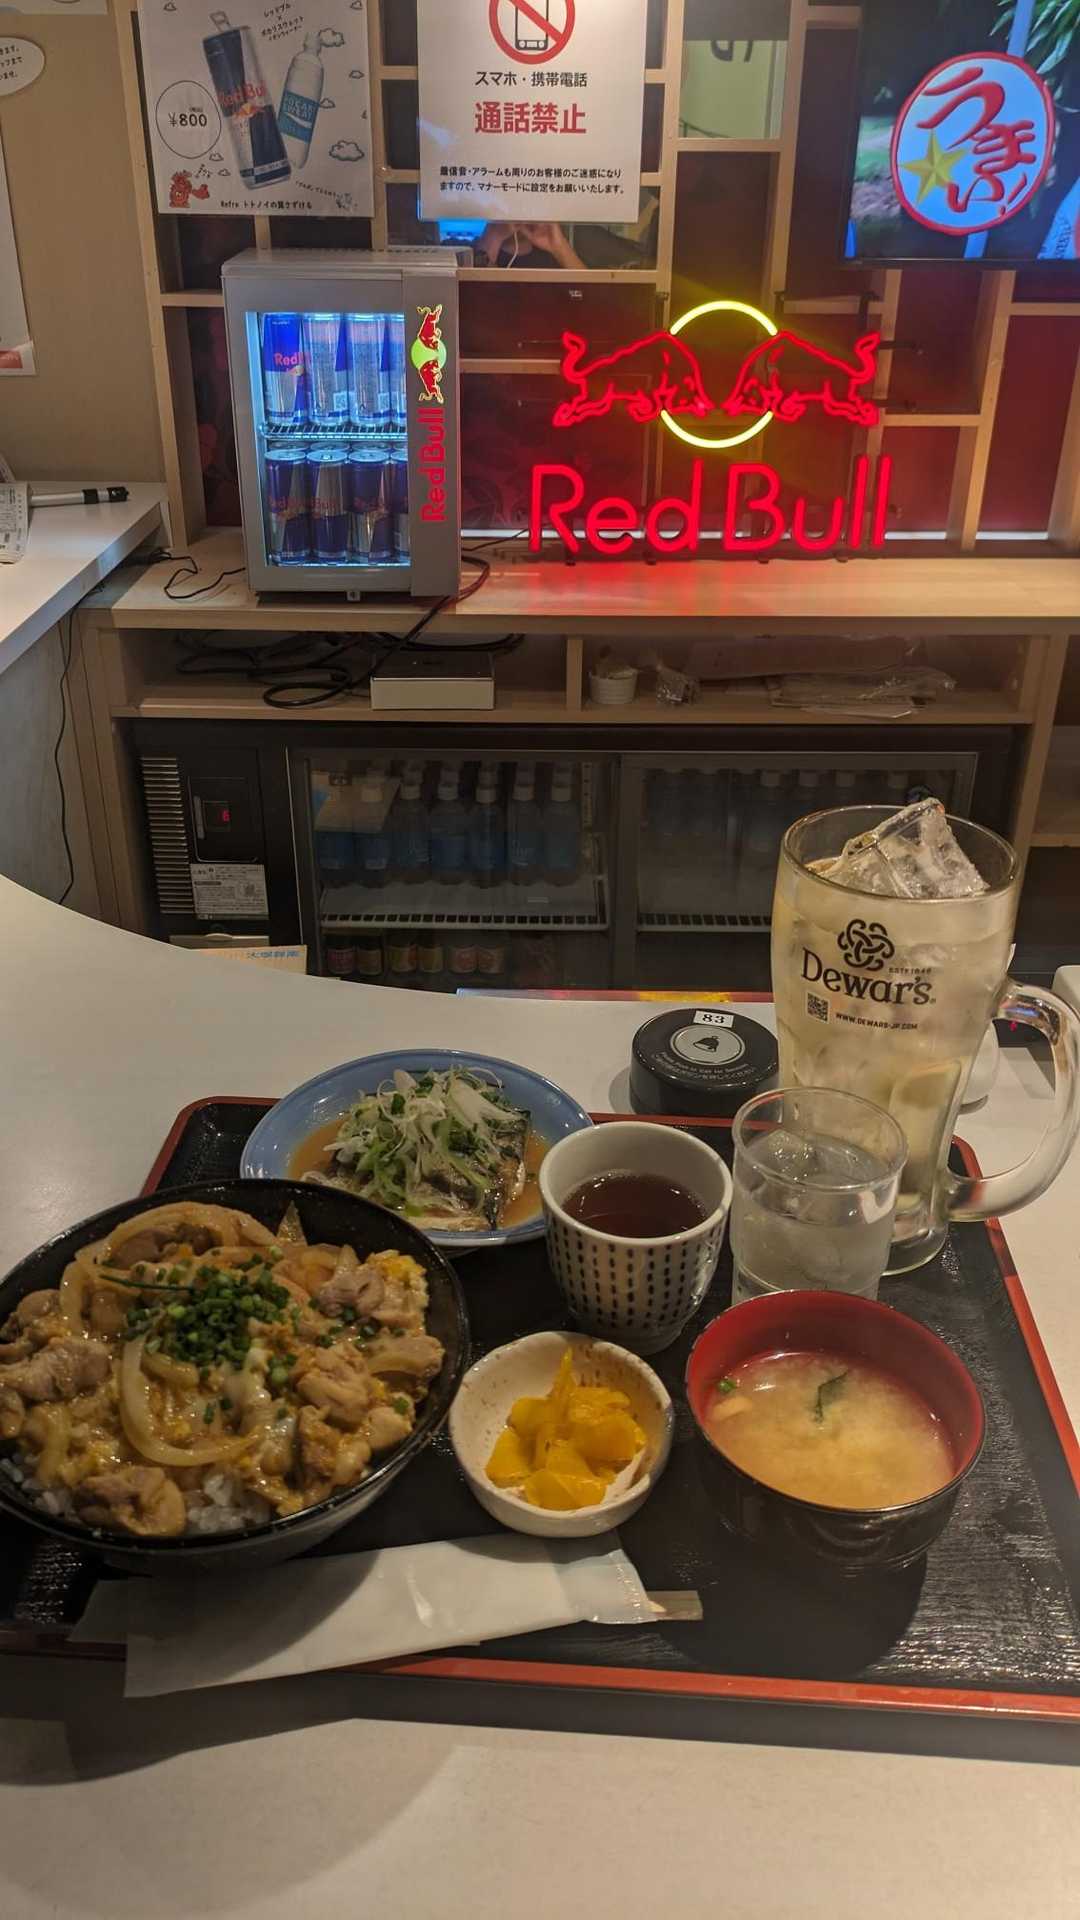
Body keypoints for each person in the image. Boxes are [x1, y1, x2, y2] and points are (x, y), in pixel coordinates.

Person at [474, 221, 585, 269]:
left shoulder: (551, 254)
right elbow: (478, 297)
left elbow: (589, 296)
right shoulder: (468, 251)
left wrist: (560, 247)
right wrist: (494, 237)